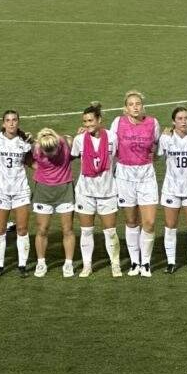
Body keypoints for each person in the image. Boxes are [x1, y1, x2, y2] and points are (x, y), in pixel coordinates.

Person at [109, 91, 160, 276]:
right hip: (124, 174)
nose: (135, 107)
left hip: (146, 174)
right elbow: (110, 143)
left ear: (142, 105)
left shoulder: (152, 123)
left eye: (138, 103)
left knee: (150, 221)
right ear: (126, 107)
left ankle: (146, 262)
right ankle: (134, 262)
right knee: (131, 220)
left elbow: (157, 143)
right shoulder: (118, 122)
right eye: (131, 104)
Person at [70, 103, 119, 278]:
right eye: (85, 121)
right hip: (85, 192)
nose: (88, 124)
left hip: (107, 191)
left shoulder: (113, 137)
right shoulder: (79, 139)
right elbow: (71, 156)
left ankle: (115, 264)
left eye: (91, 120)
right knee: (86, 231)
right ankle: (87, 266)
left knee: (110, 231)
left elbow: (121, 157)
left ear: (99, 120)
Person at [159, 106, 187, 274]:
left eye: (186, 118)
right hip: (171, 188)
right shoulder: (165, 139)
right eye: (180, 118)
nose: (184, 121)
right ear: (173, 121)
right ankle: (171, 262)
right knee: (170, 225)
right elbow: (156, 155)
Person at [0, 110, 33, 277]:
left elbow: (31, 162)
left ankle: (22, 265)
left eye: (14, 120)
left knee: (22, 229)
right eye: (8, 120)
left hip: (20, 189)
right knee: (0, 229)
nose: (11, 123)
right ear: (3, 123)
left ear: (18, 122)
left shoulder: (24, 142)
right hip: (0, 190)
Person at [30, 128, 76, 277]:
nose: (49, 155)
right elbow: (27, 160)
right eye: (46, 152)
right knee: (42, 229)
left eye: (52, 151)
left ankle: (68, 264)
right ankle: (41, 262)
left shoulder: (66, 143)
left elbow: (77, 152)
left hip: (65, 190)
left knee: (67, 229)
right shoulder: (37, 148)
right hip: (43, 191)